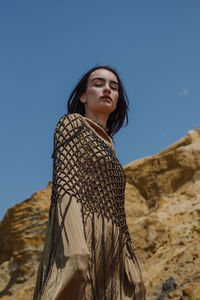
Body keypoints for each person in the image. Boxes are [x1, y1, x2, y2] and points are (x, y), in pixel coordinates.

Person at [33, 66, 146, 300]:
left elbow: (119, 215)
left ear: (117, 100)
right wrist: (75, 249)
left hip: (112, 246)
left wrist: (128, 261)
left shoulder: (110, 146)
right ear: (83, 96)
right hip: (82, 233)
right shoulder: (72, 124)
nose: (107, 89)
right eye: (98, 83)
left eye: (114, 87)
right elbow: (66, 186)